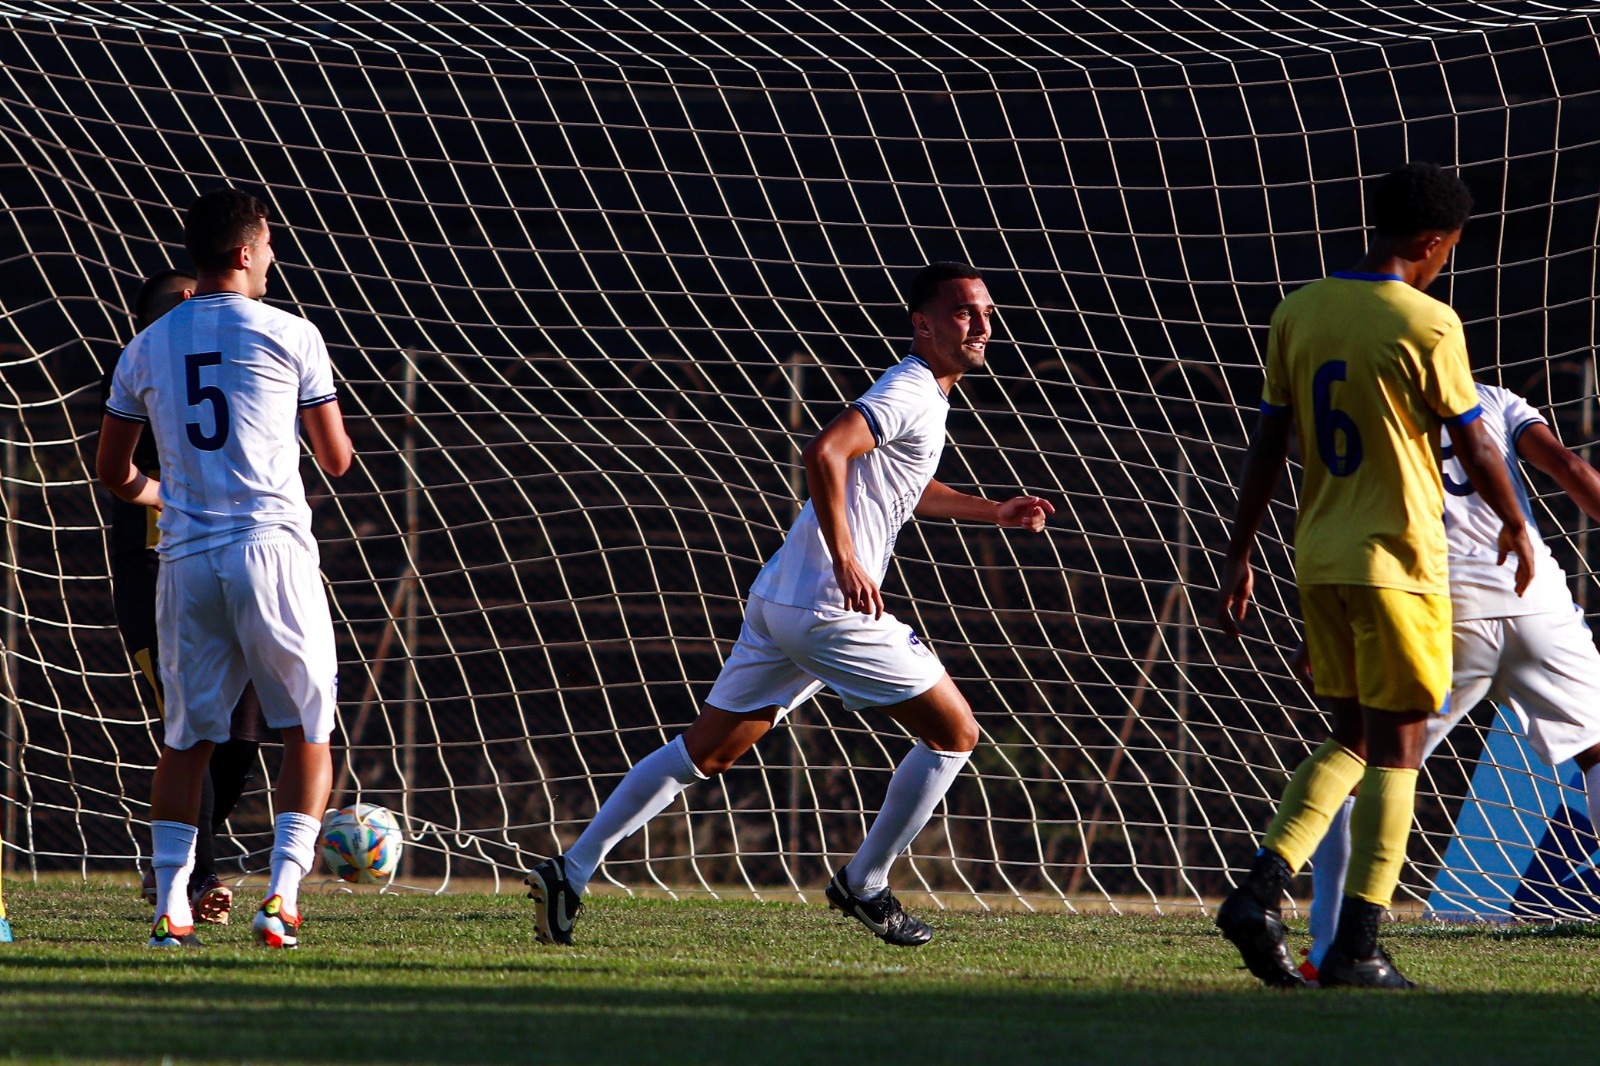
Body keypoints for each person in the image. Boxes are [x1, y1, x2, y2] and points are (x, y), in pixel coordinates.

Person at [525, 261, 1053, 947]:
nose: (982, 325)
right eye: (963, 313)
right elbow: (825, 451)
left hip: (783, 598)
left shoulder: (925, 397)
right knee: (954, 735)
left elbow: (902, 484)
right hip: (830, 608)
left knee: (704, 753)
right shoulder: (911, 388)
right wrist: (847, 559)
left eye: (986, 312)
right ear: (922, 325)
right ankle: (863, 882)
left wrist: (995, 512)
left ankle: (572, 868)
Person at [1213, 162, 1535, 989]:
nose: (1445, 265)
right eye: (1449, 252)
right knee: (1400, 751)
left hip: (1317, 558)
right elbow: (1473, 441)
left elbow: (1265, 445)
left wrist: (1241, 551)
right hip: (1398, 562)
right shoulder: (1428, 321)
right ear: (1431, 242)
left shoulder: (1300, 309)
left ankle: (1256, 894)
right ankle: (1359, 946)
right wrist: (1513, 522)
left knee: (1351, 737)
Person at [97, 188, 352, 948]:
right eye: (269, 246)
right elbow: (336, 460)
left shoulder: (144, 347)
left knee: (187, 741)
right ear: (244, 252)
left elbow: (114, 472)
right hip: (271, 549)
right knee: (307, 729)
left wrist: (170, 494)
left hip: (185, 558)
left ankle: (170, 908)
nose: (273, 259)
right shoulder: (292, 334)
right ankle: (280, 897)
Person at [1299, 382, 1600, 979]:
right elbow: (1568, 466)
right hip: (1534, 600)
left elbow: (1347, 521)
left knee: (1368, 765)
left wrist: (1327, 620)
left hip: (1439, 610)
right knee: (1597, 753)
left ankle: (1329, 948)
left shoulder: (1366, 417)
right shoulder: (1493, 400)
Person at [105, 268, 268, 926]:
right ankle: (195, 881)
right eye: (179, 302)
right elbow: (118, 474)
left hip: (235, 570)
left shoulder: (239, 369)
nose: (196, 308)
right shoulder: (144, 375)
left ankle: (175, 863)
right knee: (192, 728)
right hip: (158, 579)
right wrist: (166, 497)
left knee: (243, 739)